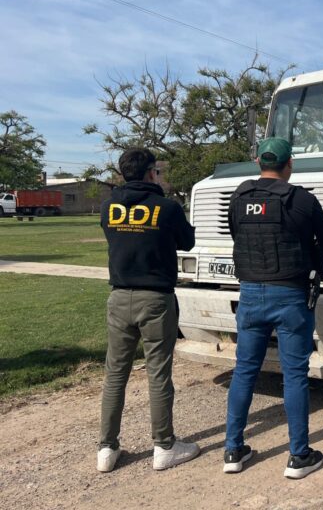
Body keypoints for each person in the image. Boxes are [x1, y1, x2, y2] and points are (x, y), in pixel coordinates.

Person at [224, 137, 323, 478]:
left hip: (250, 294)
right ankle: (299, 456)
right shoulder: (301, 199)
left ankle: (233, 450)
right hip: (290, 295)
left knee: (244, 371)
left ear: (258, 162)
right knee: (294, 375)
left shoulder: (239, 197)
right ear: (290, 164)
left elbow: (236, 235)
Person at [97, 148, 199, 472]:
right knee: (158, 373)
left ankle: (106, 448)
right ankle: (164, 445)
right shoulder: (166, 208)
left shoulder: (109, 207)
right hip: (155, 298)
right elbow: (188, 241)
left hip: (119, 297)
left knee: (115, 374)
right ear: (151, 172)